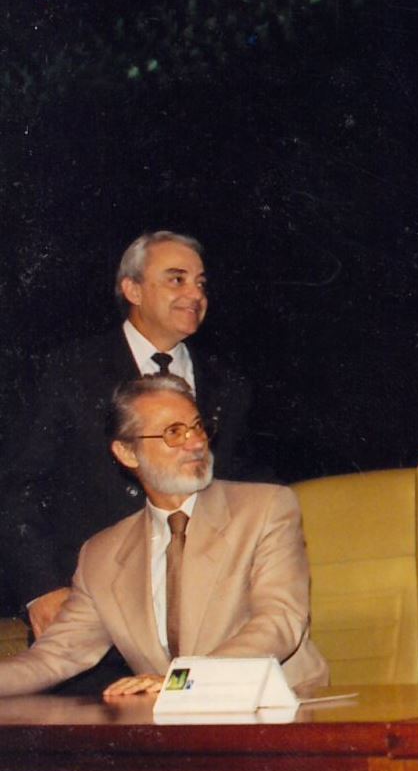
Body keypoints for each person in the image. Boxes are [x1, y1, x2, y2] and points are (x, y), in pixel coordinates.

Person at [2, 232, 260, 648]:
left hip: (204, 620)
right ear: (133, 289)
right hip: (88, 614)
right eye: (177, 279)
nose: (195, 294)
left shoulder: (228, 385)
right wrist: (41, 588)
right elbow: (17, 487)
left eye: (201, 283)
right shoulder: (68, 370)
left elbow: (245, 491)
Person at [0, 376, 326, 698]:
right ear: (127, 453)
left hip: (277, 708)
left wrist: (181, 681)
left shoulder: (266, 508)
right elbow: (55, 656)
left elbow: (279, 622)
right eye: (174, 432)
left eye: (198, 427)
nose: (196, 443)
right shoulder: (101, 553)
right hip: (173, 721)